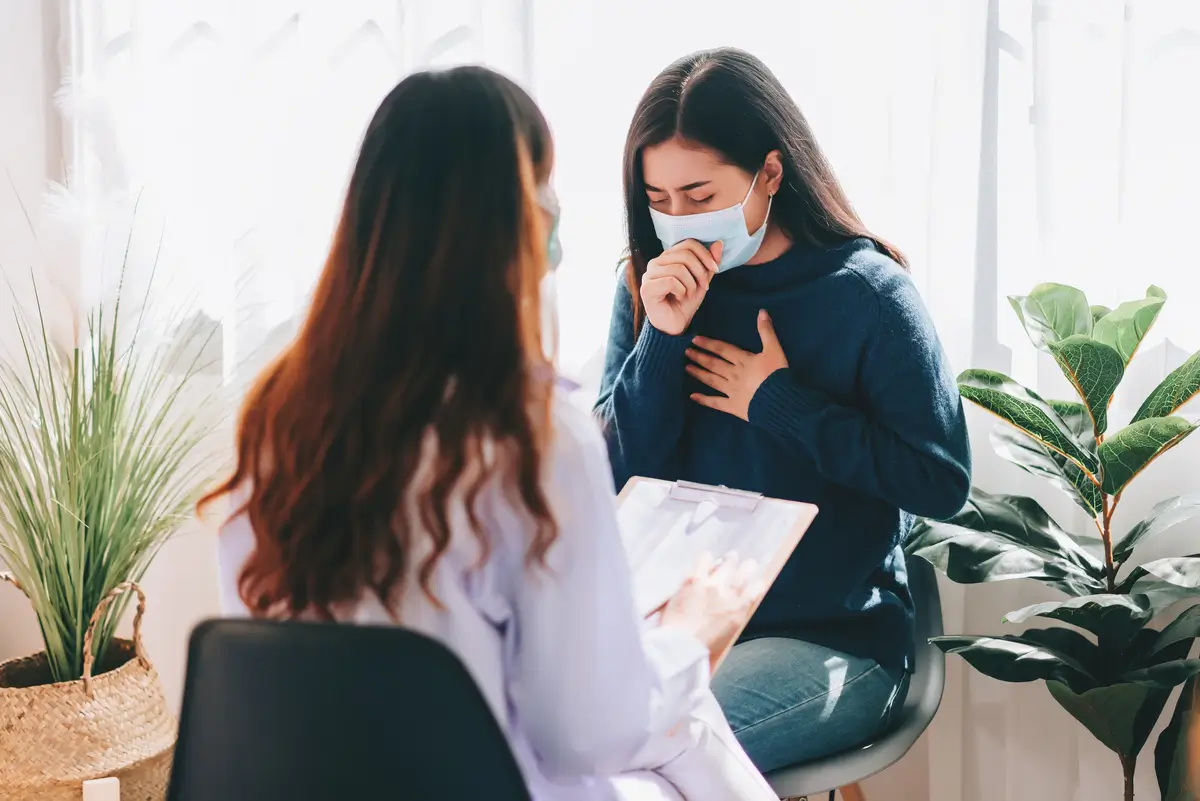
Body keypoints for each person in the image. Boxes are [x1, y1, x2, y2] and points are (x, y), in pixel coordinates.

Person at [203, 66, 777, 801]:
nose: (557, 208)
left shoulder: (277, 418)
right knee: (686, 724)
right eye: (544, 182)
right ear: (514, 218)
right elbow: (586, 731)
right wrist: (690, 635)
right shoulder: (532, 439)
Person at [595, 47, 972, 773]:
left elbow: (940, 480)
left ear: (769, 173)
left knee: (639, 755)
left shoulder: (867, 295)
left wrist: (780, 404)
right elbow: (616, 478)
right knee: (547, 743)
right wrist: (663, 339)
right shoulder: (648, 287)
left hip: (830, 640)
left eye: (700, 196)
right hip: (672, 632)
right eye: (659, 199)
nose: (678, 221)